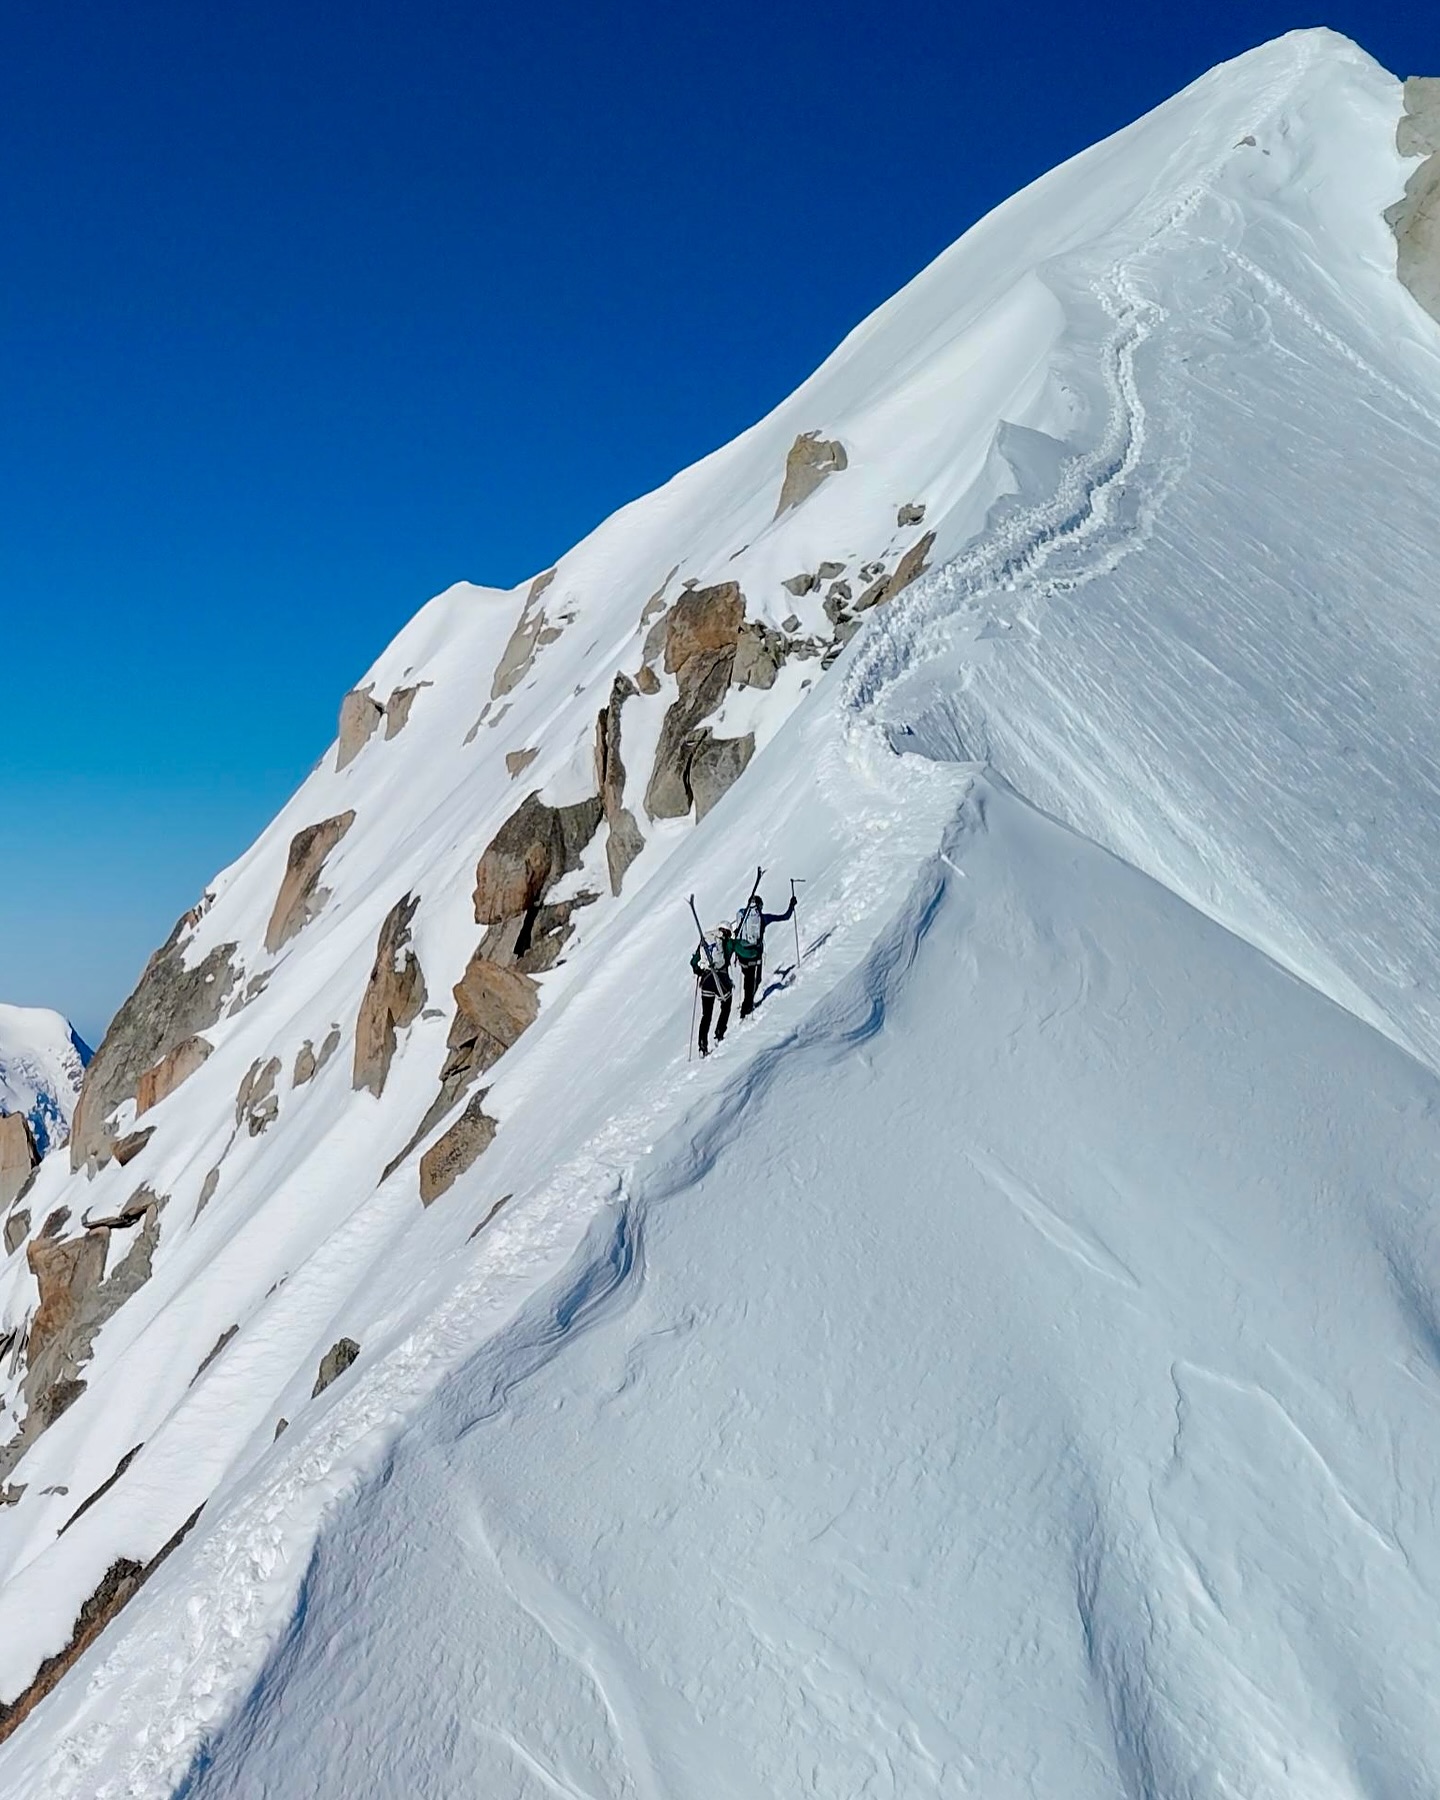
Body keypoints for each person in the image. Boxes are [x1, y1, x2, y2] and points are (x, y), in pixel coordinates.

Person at [732, 889, 796, 1018]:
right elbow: (785, 917)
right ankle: (747, 1007)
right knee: (755, 980)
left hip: (741, 955)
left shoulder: (742, 916)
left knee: (748, 979)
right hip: (754, 955)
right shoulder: (763, 918)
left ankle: (747, 1004)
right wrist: (792, 905)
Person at [691, 921, 734, 1056]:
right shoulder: (725, 941)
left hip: (706, 979)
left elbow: (694, 962)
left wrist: (699, 970)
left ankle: (702, 1046)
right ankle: (719, 1033)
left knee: (706, 1014)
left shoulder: (706, 939)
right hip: (719, 978)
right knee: (726, 1003)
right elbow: (728, 956)